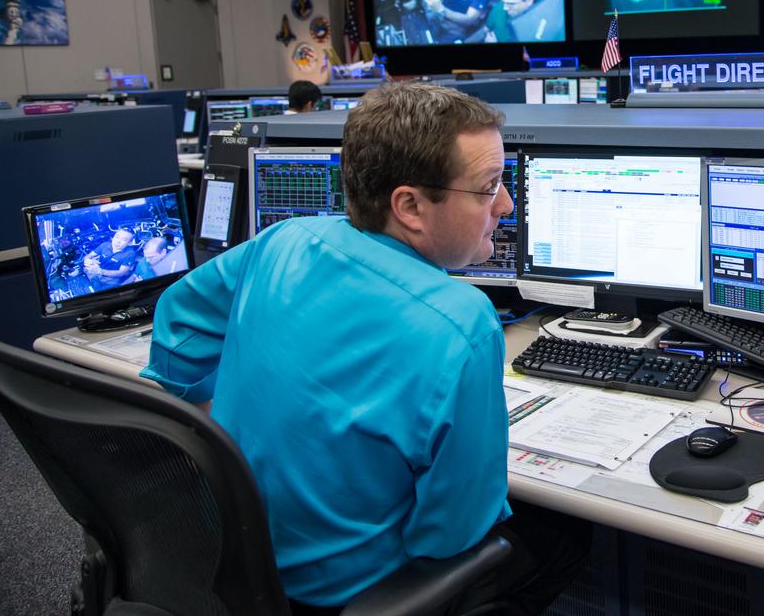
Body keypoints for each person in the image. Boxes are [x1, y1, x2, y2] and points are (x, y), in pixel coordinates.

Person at [142, 82, 589, 614]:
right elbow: (450, 535)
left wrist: (207, 424)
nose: (507, 205)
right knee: (567, 535)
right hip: (351, 597)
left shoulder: (285, 240)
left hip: (234, 561)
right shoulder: (463, 323)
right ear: (410, 206)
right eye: (489, 187)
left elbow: (178, 317)